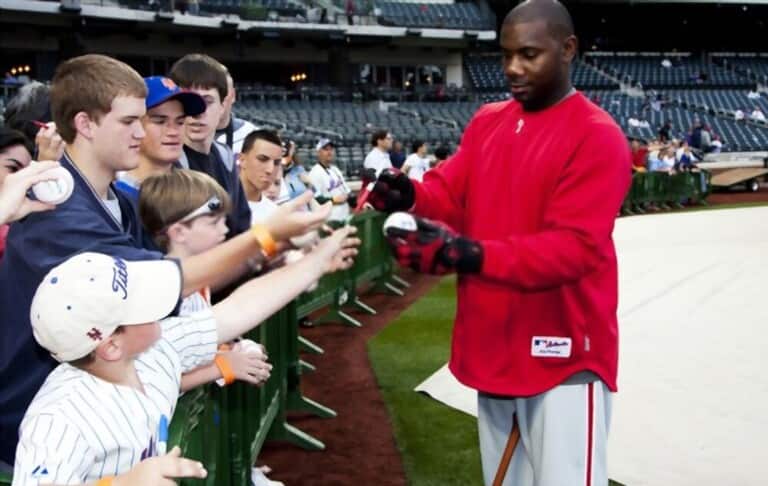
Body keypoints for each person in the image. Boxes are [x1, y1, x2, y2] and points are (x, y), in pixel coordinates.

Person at [0, 54, 332, 467]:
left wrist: (279, 252)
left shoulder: (116, 199)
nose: (141, 133)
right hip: (44, 437)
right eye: (129, 121)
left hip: (98, 423)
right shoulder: (58, 213)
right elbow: (167, 281)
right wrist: (264, 239)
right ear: (84, 125)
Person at [367, 1, 631, 485]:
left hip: (565, 354)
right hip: (495, 347)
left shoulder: (597, 137)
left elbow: (573, 249)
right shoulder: (489, 120)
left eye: (529, 54)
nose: (512, 68)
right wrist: (410, 194)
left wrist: (467, 254)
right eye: (506, 54)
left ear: (568, 49)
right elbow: (449, 192)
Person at [12, 223, 358, 485]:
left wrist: (313, 263)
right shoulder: (58, 419)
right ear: (111, 344)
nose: (160, 307)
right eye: (141, 306)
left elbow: (239, 309)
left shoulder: (150, 348)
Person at [169, 53, 252, 236]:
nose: (197, 112)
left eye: (207, 101)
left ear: (223, 106)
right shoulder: (164, 163)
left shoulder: (225, 158)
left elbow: (240, 228)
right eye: (188, 101)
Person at [115, 76, 206, 202]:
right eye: (160, 121)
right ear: (134, 124)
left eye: (180, 122)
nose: (173, 131)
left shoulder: (198, 189)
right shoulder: (116, 196)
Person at [239, 130, 283, 224]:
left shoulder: (275, 214)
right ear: (242, 160)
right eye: (262, 159)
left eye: (276, 163)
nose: (270, 170)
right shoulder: (218, 204)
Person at [307, 138, 351, 222]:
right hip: (329, 220)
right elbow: (317, 199)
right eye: (326, 149)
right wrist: (333, 200)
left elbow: (347, 191)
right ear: (318, 152)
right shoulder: (314, 173)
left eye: (331, 149)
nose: (329, 152)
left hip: (344, 216)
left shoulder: (335, 170)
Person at [216, 71, 259, 154]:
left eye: (223, 91)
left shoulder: (253, 135)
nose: (218, 98)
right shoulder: (185, 133)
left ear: (233, 95)